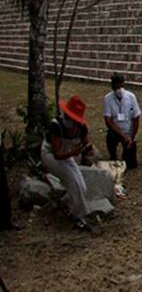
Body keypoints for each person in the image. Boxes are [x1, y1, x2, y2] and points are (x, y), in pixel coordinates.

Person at [41, 95, 94, 231]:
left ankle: (65, 202)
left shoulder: (81, 128)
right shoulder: (56, 126)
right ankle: (79, 216)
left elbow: (86, 142)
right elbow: (57, 154)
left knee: (81, 185)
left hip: (67, 153)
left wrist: (88, 149)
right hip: (52, 155)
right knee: (73, 181)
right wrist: (73, 152)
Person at [102, 72, 141, 169]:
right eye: (116, 87)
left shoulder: (131, 97)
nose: (119, 89)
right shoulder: (107, 99)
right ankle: (113, 156)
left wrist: (131, 137)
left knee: (132, 165)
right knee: (110, 137)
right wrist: (122, 135)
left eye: (121, 86)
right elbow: (108, 120)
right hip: (116, 131)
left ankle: (126, 153)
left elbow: (136, 118)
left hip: (129, 132)